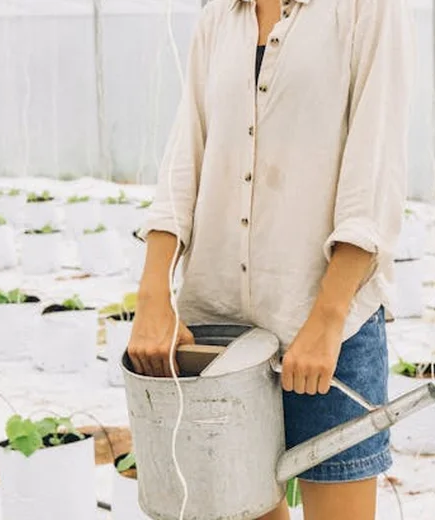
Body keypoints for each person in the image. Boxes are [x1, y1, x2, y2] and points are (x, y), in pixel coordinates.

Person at [127, 0, 413, 518]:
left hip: (330, 328)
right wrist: (152, 295)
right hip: (219, 330)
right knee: (237, 504)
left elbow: (373, 170)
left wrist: (327, 318)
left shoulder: (364, 10)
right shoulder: (220, 17)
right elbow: (184, 157)